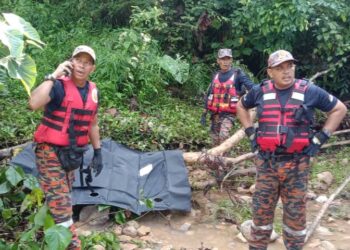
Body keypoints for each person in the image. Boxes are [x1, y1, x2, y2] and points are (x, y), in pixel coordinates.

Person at [236, 49, 347, 250]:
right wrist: (251, 133)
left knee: (296, 219)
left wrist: (320, 138)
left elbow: (339, 109)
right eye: (280, 68)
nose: (286, 71)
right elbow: (241, 107)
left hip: (297, 164)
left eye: (290, 66)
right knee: (260, 216)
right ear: (270, 72)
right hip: (267, 163)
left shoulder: (309, 91)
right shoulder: (260, 91)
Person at [29, 45, 103, 250]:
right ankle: (73, 246)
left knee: (59, 200)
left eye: (87, 62)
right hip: (49, 152)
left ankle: (40, 239)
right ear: (71, 61)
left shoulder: (92, 91)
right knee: (62, 208)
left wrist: (98, 151)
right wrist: (53, 75)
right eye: (78, 60)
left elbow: (92, 123)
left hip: (72, 155)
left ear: (92, 68)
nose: (81, 65)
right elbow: (33, 103)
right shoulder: (58, 86)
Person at [201, 48, 255, 146]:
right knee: (214, 139)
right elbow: (210, 94)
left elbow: (251, 87)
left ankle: (224, 158)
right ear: (218, 60)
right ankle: (216, 159)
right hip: (215, 114)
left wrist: (264, 90)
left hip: (229, 114)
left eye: (228, 59)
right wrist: (204, 113)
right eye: (223, 59)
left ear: (231, 60)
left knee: (223, 135)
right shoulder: (215, 75)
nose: (225, 62)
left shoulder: (238, 74)